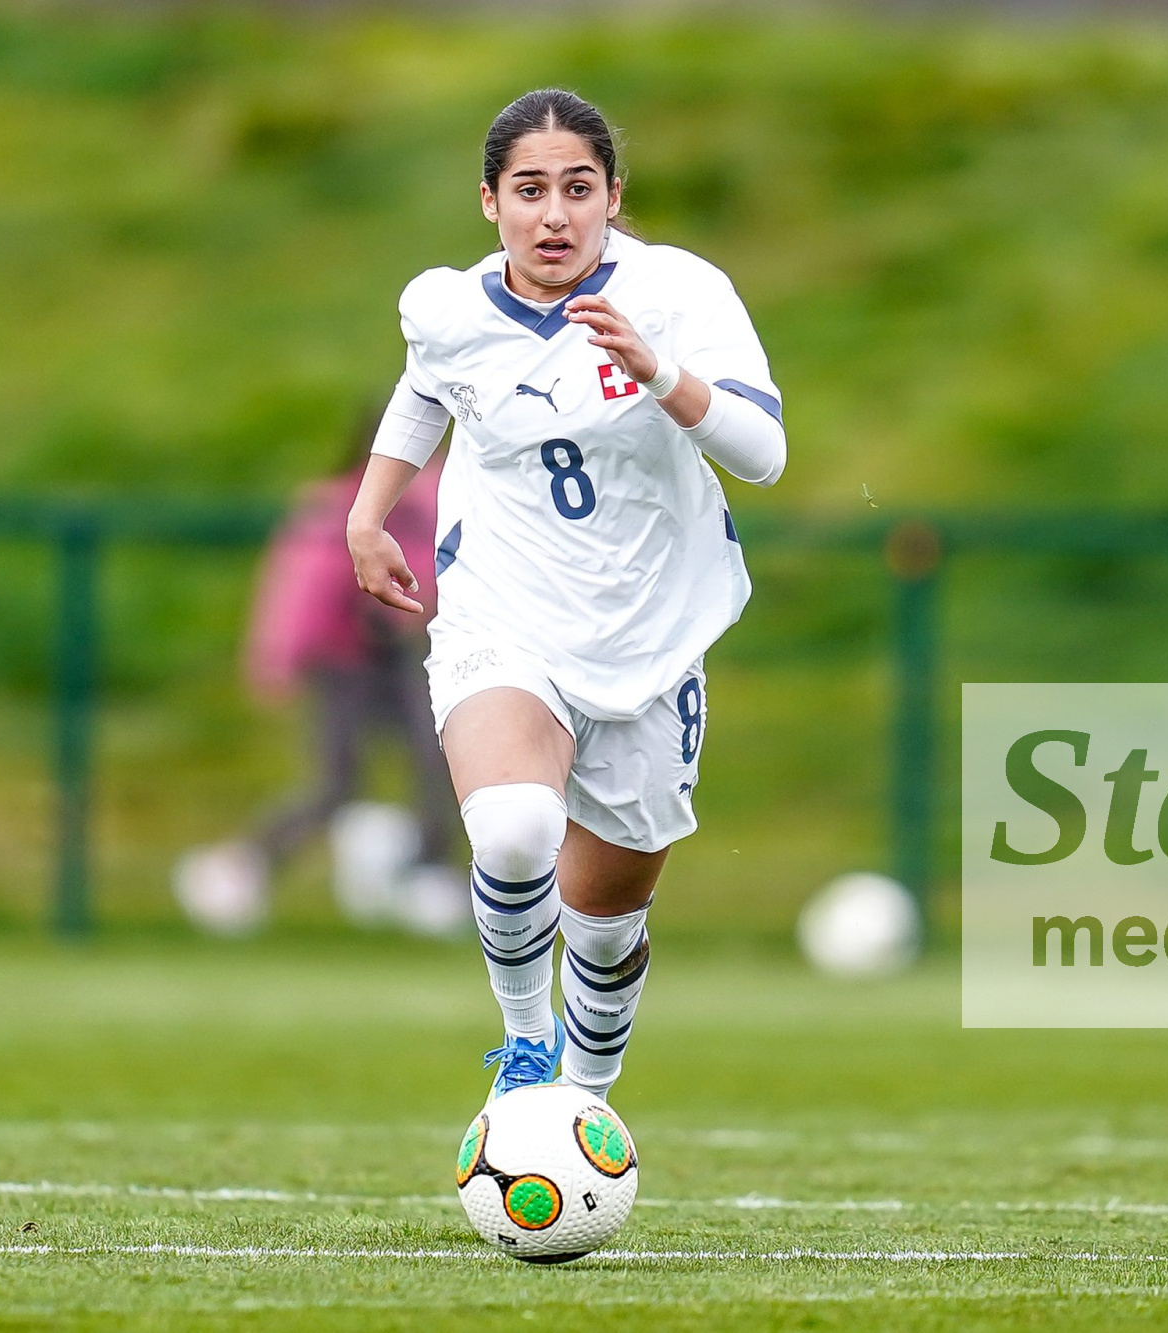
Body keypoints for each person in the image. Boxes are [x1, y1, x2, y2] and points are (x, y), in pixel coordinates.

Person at [344, 88, 785, 1102]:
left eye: (578, 189)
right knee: (511, 828)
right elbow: (429, 382)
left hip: (652, 630)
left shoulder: (678, 294)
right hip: (503, 608)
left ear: (613, 198)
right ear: (489, 202)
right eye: (530, 190)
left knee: (605, 926)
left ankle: (583, 1101)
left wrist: (660, 372)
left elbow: (763, 452)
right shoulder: (449, 306)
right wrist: (369, 513)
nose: (555, 215)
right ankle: (525, 1052)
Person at [174, 446, 466, 937]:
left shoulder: (441, 497)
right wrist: (277, 660)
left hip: (413, 658)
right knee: (336, 783)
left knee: (443, 762)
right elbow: (301, 590)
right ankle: (243, 864)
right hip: (344, 662)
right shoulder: (335, 507)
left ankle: (428, 874)